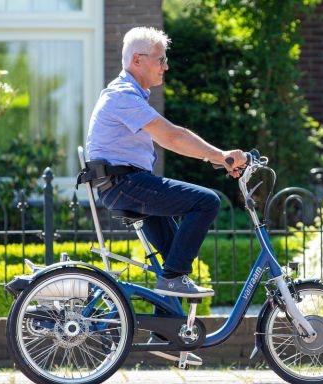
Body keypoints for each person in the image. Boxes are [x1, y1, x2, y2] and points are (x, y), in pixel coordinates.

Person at [86, 26, 247, 298]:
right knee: (206, 201)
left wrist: (214, 158)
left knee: (174, 266)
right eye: (161, 60)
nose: (166, 67)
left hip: (126, 183)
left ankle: (164, 332)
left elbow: (171, 138)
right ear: (137, 60)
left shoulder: (130, 95)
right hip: (124, 184)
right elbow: (172, 136)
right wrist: (221, 156)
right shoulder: (122, 95)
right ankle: (171, 281)